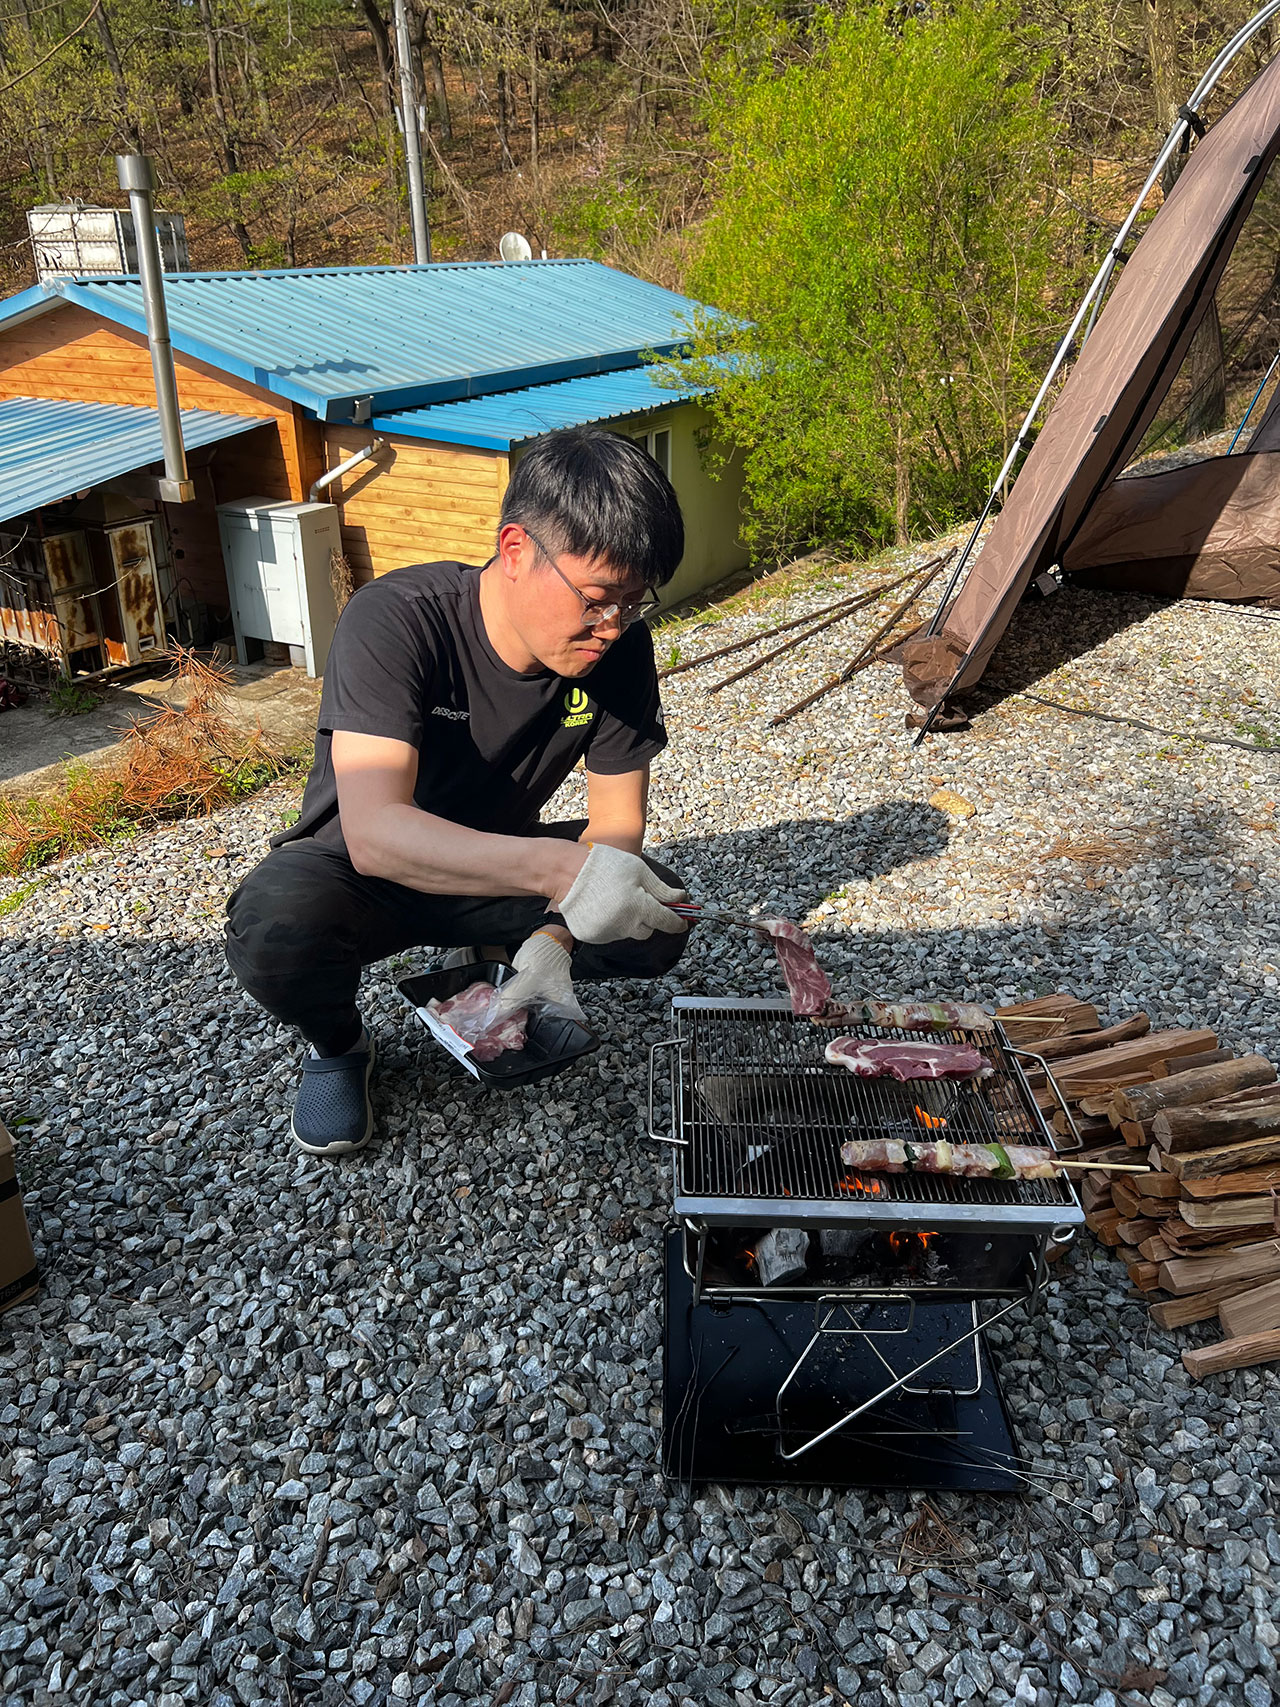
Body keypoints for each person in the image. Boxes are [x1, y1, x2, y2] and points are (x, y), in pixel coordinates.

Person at [225, 426, 691, 1156]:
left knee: (657, 917)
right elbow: (376, 833)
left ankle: (496, 951)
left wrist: (555, 935)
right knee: (274, 930)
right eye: (598, 599)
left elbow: (617, 824)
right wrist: (560, 872)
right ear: (516, 549)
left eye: (633, 604)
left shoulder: (621, 650)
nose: (612, 627)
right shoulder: (398, 618)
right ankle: (339, 1046)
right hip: (358, 873)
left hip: (492, 862)